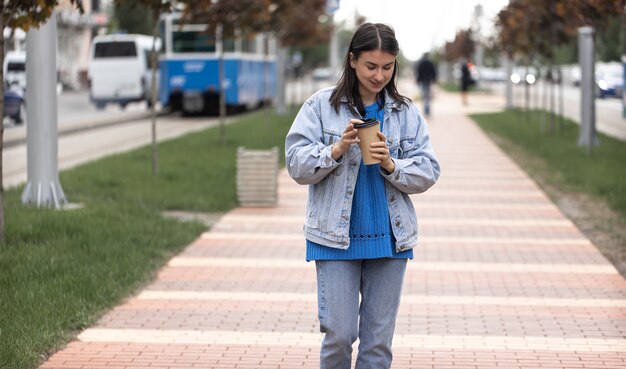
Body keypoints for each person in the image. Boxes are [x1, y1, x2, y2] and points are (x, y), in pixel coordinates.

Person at [285, 22, 440, 369]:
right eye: (371, 66)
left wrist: (391, 164)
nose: (379, 75)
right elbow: (295, 164)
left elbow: (429, 169)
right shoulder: (320, 107)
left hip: (390, 240)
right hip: (334, 238)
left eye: (387, 67)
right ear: (352, 60)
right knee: (339, 336)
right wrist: (335, 149)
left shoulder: (404, 112)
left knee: (377, 347)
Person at [414, 52, 437, 116]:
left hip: (423, 81)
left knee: (424, 96)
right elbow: (433, 72)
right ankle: (427, 110)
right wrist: (434, 79)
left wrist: (418, 80)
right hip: (428, 81)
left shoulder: (421, 63)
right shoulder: (430, 63)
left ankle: (425, 110)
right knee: (427, 96)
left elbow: (419, 72)